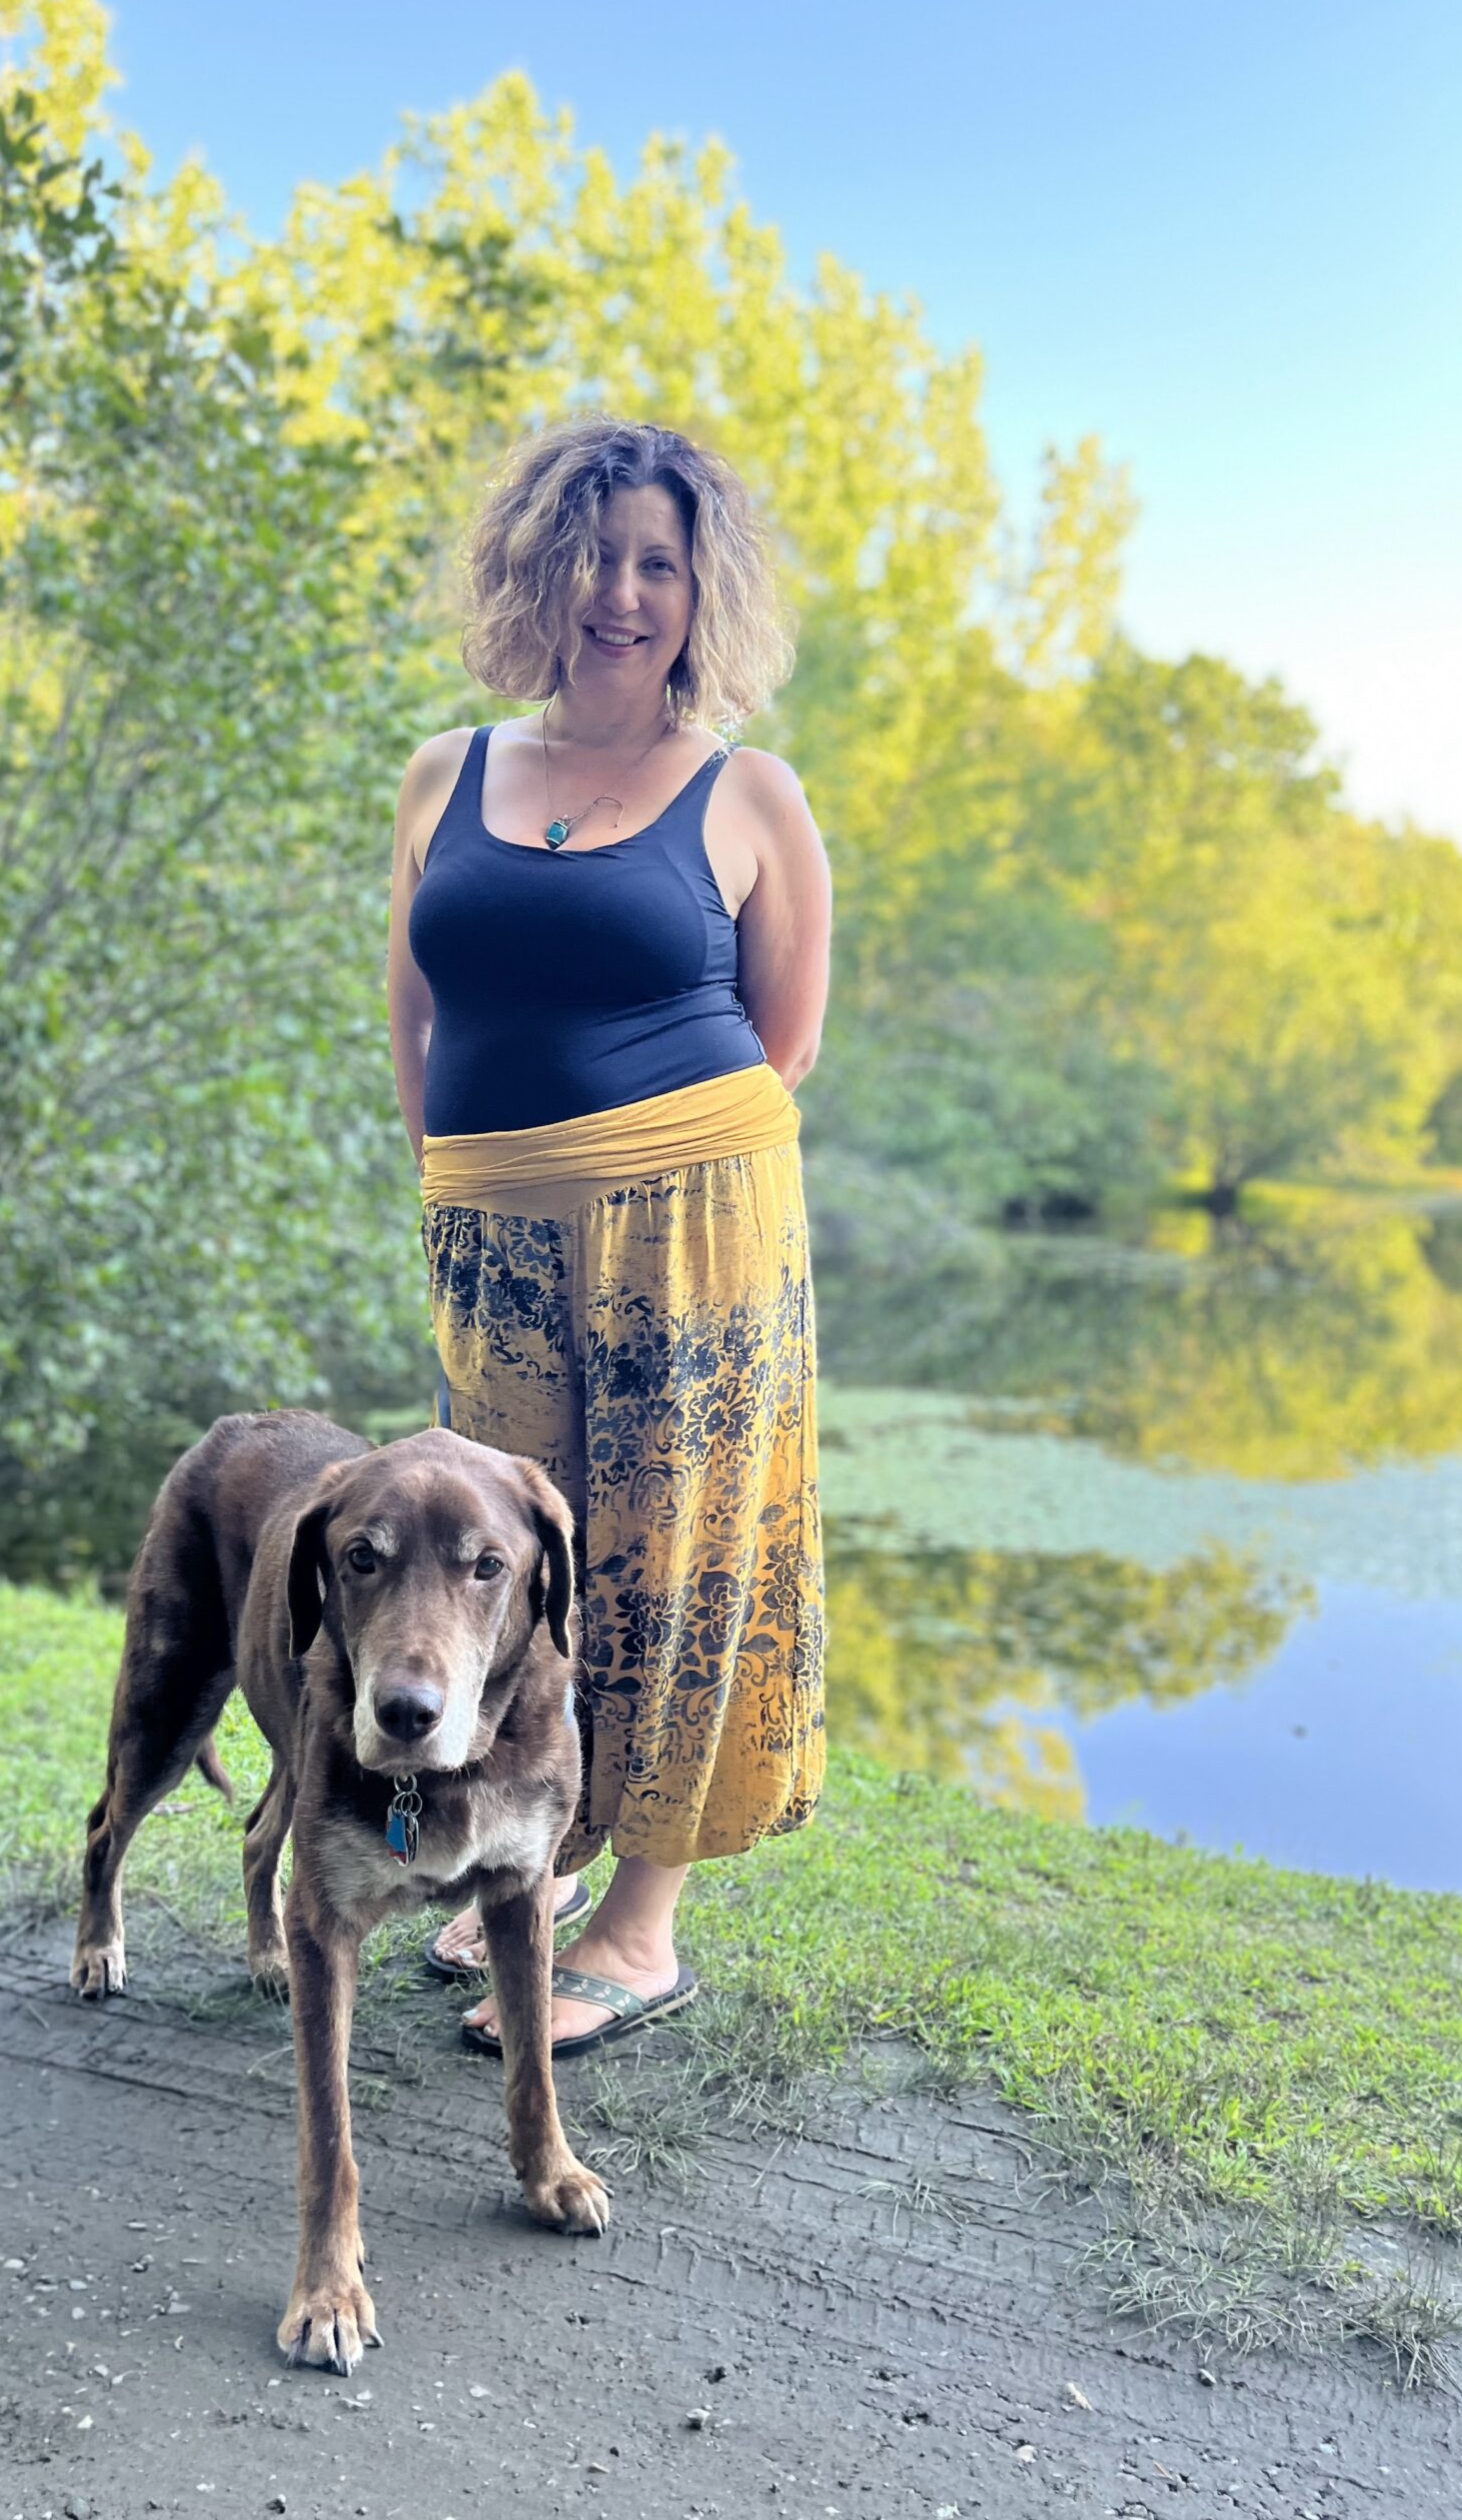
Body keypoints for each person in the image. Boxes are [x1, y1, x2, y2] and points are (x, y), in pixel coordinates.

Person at [384, 414, 830, 2055]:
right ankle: (535, 1855)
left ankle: (641, 1929)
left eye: (659, 563)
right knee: (504, 1569)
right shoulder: (451, 771)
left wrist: (639, 1176)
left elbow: (783, 1047)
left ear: (699, 595)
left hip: (693, 1233)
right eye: (596, 557)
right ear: (538, 571)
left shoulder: (751, 795)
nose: (622, 593)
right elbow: (416, 1021)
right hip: (492, 1232)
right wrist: (479, 1188)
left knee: (676, 1557)